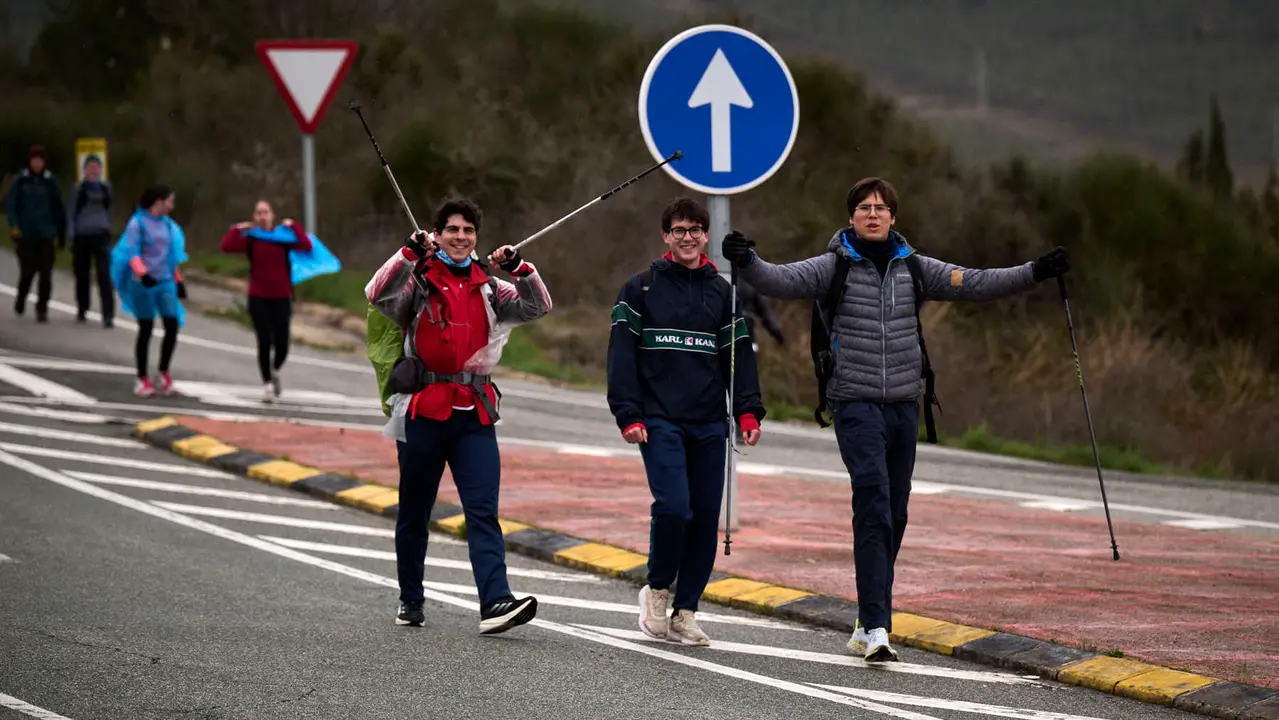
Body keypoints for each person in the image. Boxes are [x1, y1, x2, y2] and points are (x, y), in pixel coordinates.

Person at [720, 176, 1069, 662]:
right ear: (851, 217)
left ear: (893, 217)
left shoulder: (915, 268)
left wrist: (1035, 271)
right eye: (864, 207)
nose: (873, 214)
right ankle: (877, 626)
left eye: (881, 207)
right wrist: (747, 260)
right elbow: (779, 279)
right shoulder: (833, 266)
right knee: (874, 503)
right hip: (854, 404)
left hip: (905, 405)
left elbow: (976, 283)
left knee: (896, 513)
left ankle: (867, 617)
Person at [365, 197, 552, 634]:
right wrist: (407, 253)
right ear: (437, 234)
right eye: (452, 229)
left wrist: (521, 268)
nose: (461, 237)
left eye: (468, 230)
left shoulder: (492, 287)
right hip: (423, 412)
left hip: (475, 415)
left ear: (476, 237)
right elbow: (378, 294)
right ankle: (411, 598)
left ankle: (495, 601)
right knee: (415, 512)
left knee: (483, 511)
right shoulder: (418, 280)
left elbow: (538, 306)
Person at [607, 197, 766, 647]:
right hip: (659, 421)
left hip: (710, 423)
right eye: (679, 230)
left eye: (695, 229)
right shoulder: (640, 288)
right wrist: (628, 413)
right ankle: (657, 590)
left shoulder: (723, 293)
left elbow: (739, 359)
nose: (688, 237)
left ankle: (686, 610)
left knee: (705, 519)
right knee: (675, 507)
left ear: (706, 235)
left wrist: (748, 410)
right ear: (666, 236)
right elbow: (620, 358)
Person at [220, 199, 312, 402]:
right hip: (258, 297)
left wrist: (294, 226)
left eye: (266, 212)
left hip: (282, 297)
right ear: (254, 217)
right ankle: (267, 384)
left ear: (272, 215)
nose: (262, 216)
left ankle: (274, 370)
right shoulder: (252, 239)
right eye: (258, 213)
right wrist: (237, 229)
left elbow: (306, 245)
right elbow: (226, 247)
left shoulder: (283, 239)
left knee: (282, 343)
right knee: (264, 341)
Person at [111, 184, 189, 398]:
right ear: (159, 201)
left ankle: (164, 373)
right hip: (143, 283)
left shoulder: (169, 225)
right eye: (170, 201)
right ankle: (142, 378)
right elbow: (132, 252)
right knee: (146, 328)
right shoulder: (137, 223)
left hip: (165, 281)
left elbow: (171, 256)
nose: (172, 205)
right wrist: (143, 274)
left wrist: (178, 280)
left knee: (172, 325)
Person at [4, 145, 66, 323]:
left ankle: (42, 308)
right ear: (30, 161)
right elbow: (11, 205)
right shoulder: (21, 181)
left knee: (46, 273)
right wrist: (14, 225)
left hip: (46, 233)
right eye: (34, 160)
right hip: (26, 234)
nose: (37, 164)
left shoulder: (50, 182)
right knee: (28, 272)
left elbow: (58, 208)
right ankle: (21, 297)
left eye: (40, 160)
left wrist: (61, 233)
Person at [67, 154, 116, 327]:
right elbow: (71, 213)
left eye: (96, 167)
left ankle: (108, 315)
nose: (94, 171)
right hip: (82, 236)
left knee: (104, 276)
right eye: (90, 167)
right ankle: (82, 309)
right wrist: (71, 235)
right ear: (85, 170)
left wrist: (109, 229)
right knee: (82, 276)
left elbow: (110, 210)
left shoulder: (106, 189)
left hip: (101, 236)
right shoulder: (78, 189)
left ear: (101, 170)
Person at [737, 279, 786, 352]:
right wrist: (778, 335)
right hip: (747, 331)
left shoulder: (724, 282)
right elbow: (766, 313)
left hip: (726, 334)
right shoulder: (751, 283)